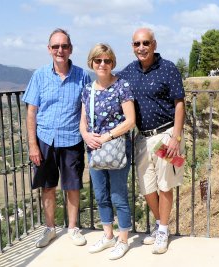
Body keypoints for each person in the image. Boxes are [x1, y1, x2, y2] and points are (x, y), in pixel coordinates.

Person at [117, 27, 185, 254]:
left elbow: (179, 103)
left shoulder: (168, 69)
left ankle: (163, 230)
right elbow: (112, 84)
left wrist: (176, 136)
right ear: (132, 47)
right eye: (137, 44)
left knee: (165, 184)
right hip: (142, 138)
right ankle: (159, 224)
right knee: (147, 186)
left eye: (145, 43)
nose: (141, 48)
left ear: (154, 44)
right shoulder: (129, 72)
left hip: (165, 136)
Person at [22, 28, 92, 248]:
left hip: (72, 139)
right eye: (55, 46)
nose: (60, 50)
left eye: (64, 46)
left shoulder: (82, 76)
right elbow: (31, 111)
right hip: (45, 140)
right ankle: (50, 228)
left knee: (72, 186)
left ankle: (72, 227)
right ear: (49, 49)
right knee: (48, 186)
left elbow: (86, 110)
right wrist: (33, 145)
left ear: (70, 49)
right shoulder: (39, 75)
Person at [80, 43, 135, 260]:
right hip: (94, 149)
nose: (102, 64)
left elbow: (130, 120)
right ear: (91, 62)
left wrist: (106, 136)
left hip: (116, 148)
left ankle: (123, 240)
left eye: (107, 60)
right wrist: (86, 135)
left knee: (118, 195)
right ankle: (108, 235)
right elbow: (82, 122)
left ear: (113, 63)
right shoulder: (88, 89)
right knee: (101, 195)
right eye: (98, 60)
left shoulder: (122, 86)